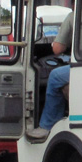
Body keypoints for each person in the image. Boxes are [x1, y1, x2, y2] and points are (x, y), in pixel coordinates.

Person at [30, 11, 72, 140]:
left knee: (55, 76)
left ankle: (48, 126)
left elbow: (57, 49)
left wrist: (55, 44)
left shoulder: (74, 16)